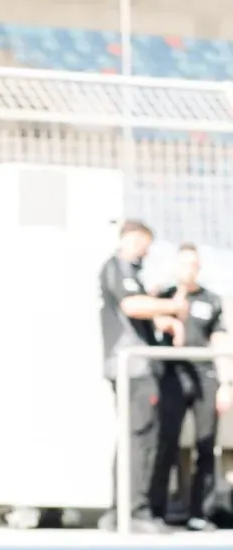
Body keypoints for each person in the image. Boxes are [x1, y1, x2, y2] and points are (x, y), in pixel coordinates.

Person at [98, 219, 188, 533]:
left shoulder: (130, 273)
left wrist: (162, 319)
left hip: (135, 368)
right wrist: (171, 305)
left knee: (137, 437)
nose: (146, 252)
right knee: (140, 438)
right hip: (133, 369)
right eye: (145, 244)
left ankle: (124, 510)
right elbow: (133, 305)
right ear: (133, 239)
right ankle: (132, 511)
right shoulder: (119, 268)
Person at [151, 243, 233, 530]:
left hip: (204, 377)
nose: (189, 269)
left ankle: (202, 511)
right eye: (184, 263)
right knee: (166, 443)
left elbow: (220, 339)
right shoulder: (163, 297)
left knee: (205, 444)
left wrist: (225, 384)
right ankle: (158, 509)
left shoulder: (210, 299)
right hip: (172, 376)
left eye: (193, 264)